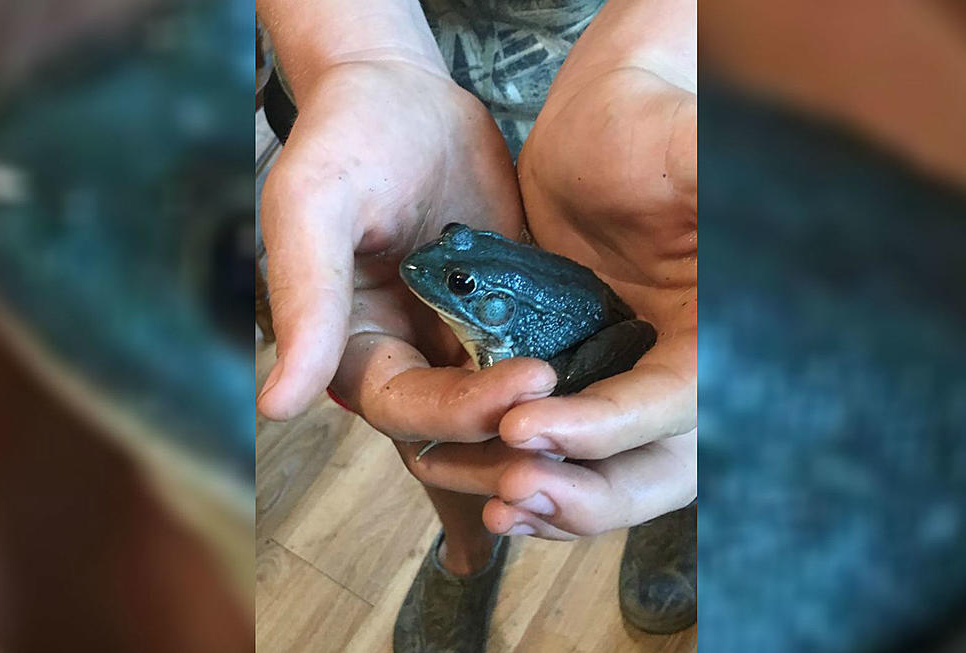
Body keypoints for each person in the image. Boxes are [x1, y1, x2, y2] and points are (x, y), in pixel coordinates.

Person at [256, 0, 696, 649]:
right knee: (438, 415)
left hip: (611, 147)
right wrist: (353, 53)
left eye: (456, 284)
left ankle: (676, 510)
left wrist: (651, 55)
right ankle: (470, 553)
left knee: (662, 405)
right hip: (393, 141)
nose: (434, 272)